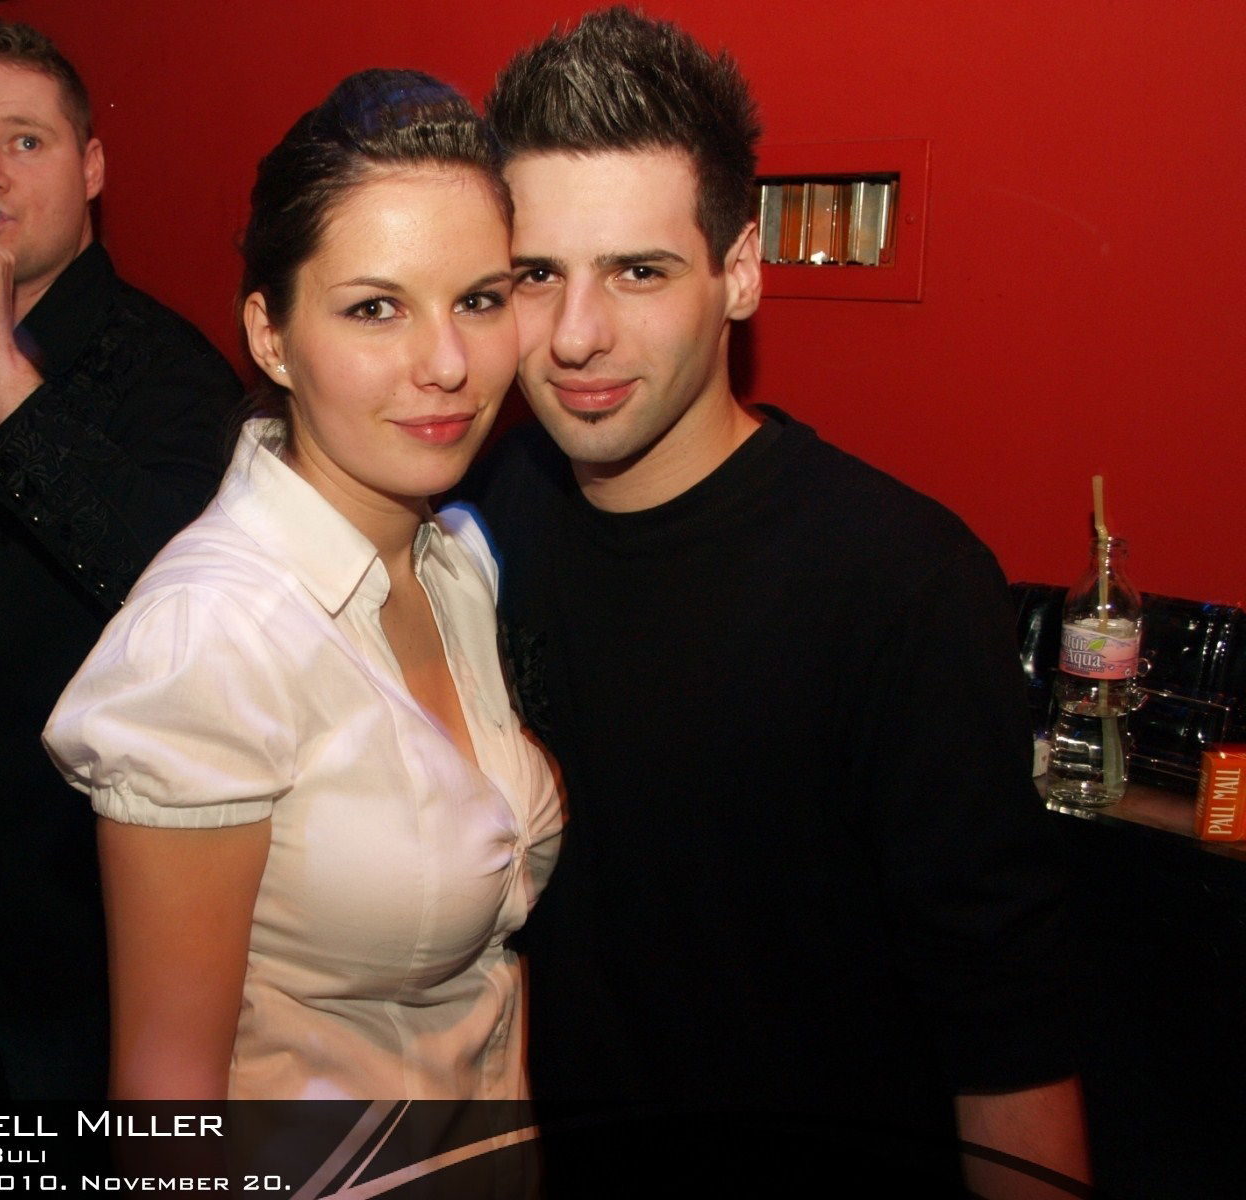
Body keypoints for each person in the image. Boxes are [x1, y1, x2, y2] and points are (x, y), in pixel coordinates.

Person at [457, 7, 1088, 1193]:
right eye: (537, 275)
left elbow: (1006, 1034)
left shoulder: (898, 584)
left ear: (738, 271)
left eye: (638, 271)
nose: (576, 336)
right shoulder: (476, 525)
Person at [44, 68, 561, 1104]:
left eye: (479, 300)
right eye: (375, 308)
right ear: (270, 337)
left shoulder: (452, 558)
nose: (447, 362)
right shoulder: (209, 640)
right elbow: (166, 1101)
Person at [0, 21, 241, 1103]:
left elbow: (171, 604)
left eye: (24, 141)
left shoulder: (171, 373)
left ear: (91, 168)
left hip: (78, 949)